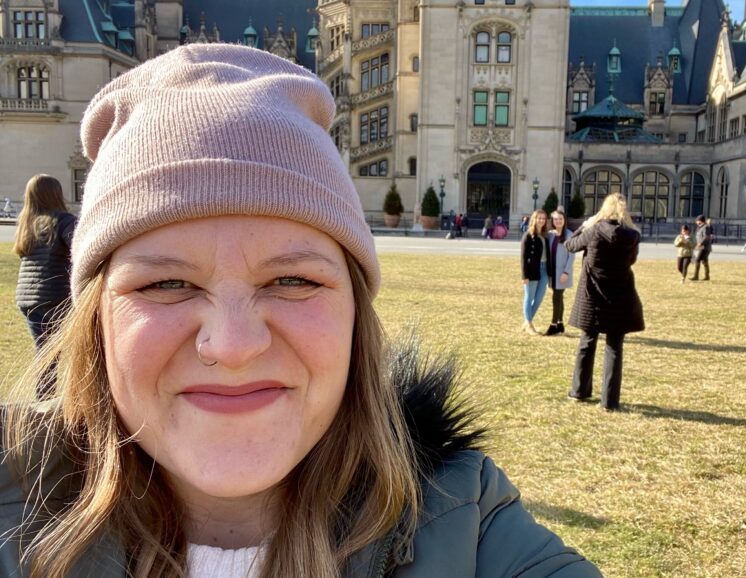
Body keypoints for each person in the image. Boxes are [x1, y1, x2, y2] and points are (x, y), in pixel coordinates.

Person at [0, 45, 602, 578]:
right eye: (166, 283)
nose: (233, 345)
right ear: (95, 321)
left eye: (291, 279)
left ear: (355, 315)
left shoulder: (465, 521)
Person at [565, 193, 644, 410]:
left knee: (587, 341)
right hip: (620, 294)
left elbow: (570, 245)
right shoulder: (632, 235)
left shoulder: (594, 231)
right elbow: (632, 261)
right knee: (614, 347)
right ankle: (609, 401)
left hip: (594, 295)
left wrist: (584, 225)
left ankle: (579, 391)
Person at [13, 174, 77, 350]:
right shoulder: (63, 221)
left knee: (45, 353)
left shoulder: (26, 226)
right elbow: (79, 248)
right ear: (57, 194)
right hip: (54, 296)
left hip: (28, 298)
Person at [544, 210, 575, 335]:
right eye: (555, 219)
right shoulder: (550, 234)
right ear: (552, 221)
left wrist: (566, 272)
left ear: (564, 220)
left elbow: (572, 256)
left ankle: (553, 325)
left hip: (562, 273)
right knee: (559, 298)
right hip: (552, 272)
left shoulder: (569, 234)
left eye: (560, 219)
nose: (558, 221)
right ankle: (560, 323)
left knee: (556, 297)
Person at [520, 209, 550, 336]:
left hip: (544, 269)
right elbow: (523, 256)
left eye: (544, 218)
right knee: (529, 297)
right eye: (539, 218)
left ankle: (527, 322)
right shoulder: (528, 235)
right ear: (534, 219)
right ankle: (529, 324)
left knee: (538, 298)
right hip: (532, 269)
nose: (541, 220)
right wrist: (524, 275)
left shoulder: (545, 235)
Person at [690, 215, 712, 281]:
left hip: (704, 247)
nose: (696, 222)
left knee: (697, 260)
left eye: (697, 221)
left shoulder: (705, 227)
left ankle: (696, 276)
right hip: (701, 247)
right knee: (705, 261)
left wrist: (700, 243)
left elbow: (706, 237)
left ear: (700, 221)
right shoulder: (700, 227)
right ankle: (707, 276)